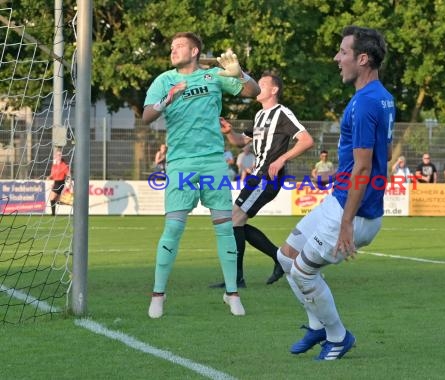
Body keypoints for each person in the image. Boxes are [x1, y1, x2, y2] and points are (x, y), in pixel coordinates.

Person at [275, 25, 394, 360]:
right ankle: (317, 327)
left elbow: (363, 167)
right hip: (339, 202)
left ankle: (338, 337)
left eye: (343, 52)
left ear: (363, 58)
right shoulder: (380, 97)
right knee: (286, 257)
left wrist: (346, 223)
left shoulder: (365, 104)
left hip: (351, 211)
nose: (336, 58)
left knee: (303, 271)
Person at [141, 31, 260, 318]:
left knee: (224, 228)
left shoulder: (215, 76)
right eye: (171, 47)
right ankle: (158, 294)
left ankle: (232, 293)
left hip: (213, 164)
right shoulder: (164, 80)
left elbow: (253, 92)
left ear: (195, 51)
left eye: (179, 46)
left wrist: (240, 73)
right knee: (173, 228)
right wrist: (165, 101)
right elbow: (146, 117)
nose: (173, 50)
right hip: (181, 164)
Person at [212, 73, 314, 288]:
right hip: (256, 176)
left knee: (234, 220)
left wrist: (282, 159)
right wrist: (229, 133)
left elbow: (306, 140)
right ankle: (276, 260)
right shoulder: (259, 116)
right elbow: (242, 142)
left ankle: (238, 278)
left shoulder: (282, 113)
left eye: (262, 84)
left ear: (274, 90)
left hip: (268, 177)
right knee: (234, 221)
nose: (257, 87)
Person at [47, 149, 70, 216]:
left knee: (52, 198)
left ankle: (53, 213)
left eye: (60, 155)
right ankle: (54, 212)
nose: (58, 156)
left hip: (60, 183)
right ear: (55, 156)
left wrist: (69, 183)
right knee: (55, 199)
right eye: (57, 155)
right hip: (56, 183)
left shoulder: (63, 165)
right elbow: (52, 175)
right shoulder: (54, 165)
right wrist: (49, 177)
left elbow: (68, 174)